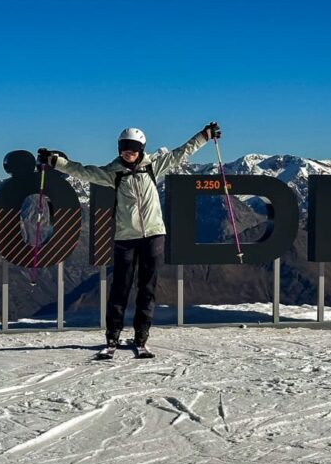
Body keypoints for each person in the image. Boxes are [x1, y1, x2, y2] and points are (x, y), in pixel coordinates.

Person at [39, 122, 220, 358]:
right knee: (120, 288)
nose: (128, 153)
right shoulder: (113, 173)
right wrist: (55, 161)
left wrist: (205, 136)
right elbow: (82, 171)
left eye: (133, 149)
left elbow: (181, 152)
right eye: (124, 149)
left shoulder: (153, 166)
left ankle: (141, 338)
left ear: (141, 150)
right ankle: (112, 337)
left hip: (154, 235)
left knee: (147, 288)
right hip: (125, 237)